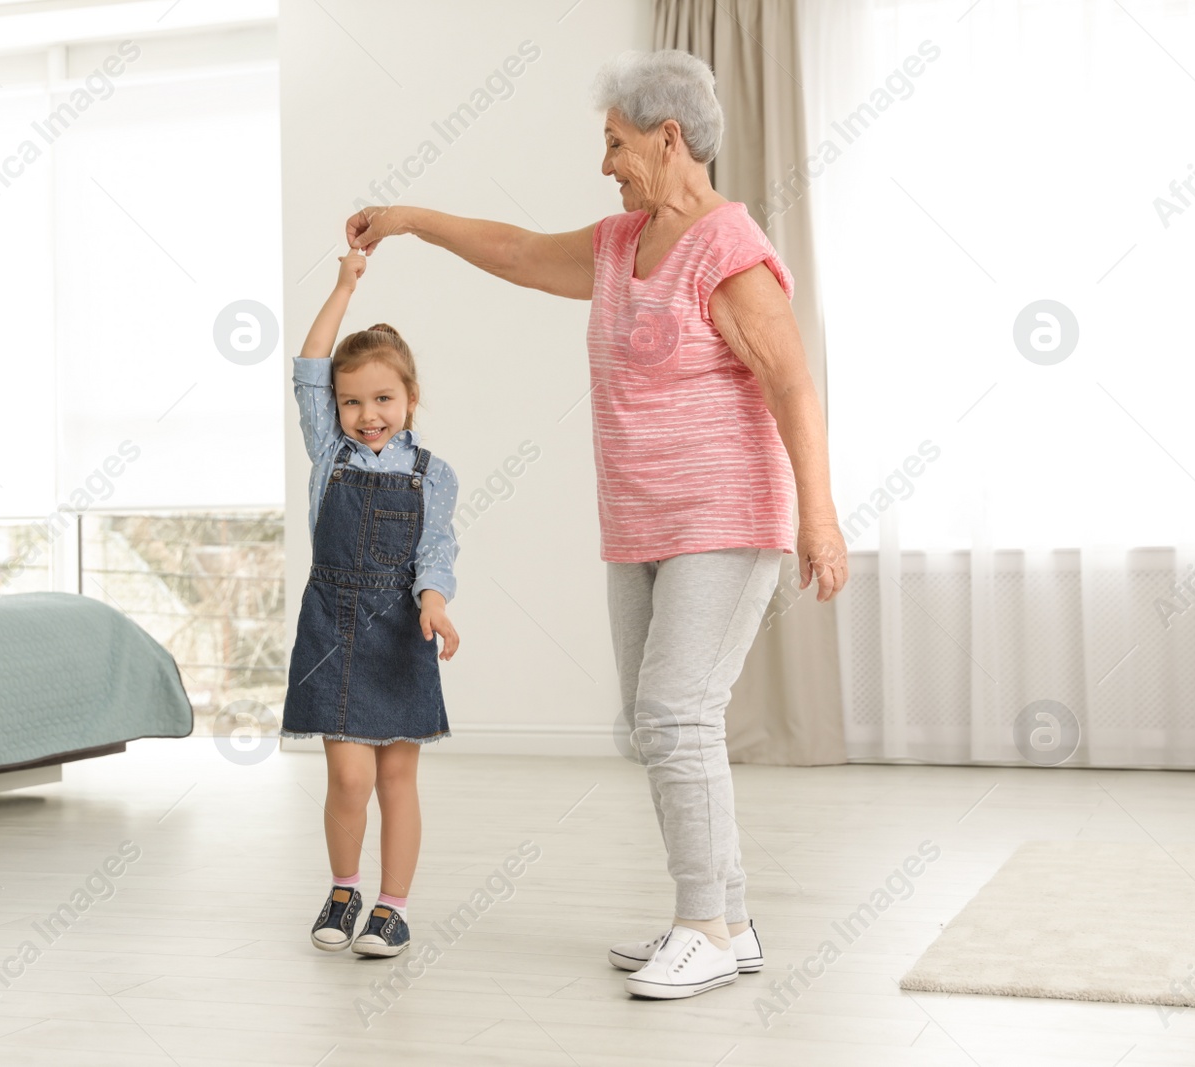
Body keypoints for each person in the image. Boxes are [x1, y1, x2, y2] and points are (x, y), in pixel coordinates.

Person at [343, 49, 847, 998]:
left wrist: (819, 517)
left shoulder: (729, 248)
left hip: (726, 517)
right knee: (656, 722)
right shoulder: (622, 244)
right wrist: (409, 219)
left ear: (668, 139)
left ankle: (699, 922)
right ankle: (727, 922)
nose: (606, 163)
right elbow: (518, 249)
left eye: (615, 143)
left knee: (675, 713)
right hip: (641, 521)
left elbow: (791, 382)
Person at [283, 247, 462, 959]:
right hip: (332, 623)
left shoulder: (432, 473)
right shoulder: (331, 453)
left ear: (410, 398)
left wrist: (435, 602)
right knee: (348, 774)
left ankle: (393, 906)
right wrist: (342, 287)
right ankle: (343, 886)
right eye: (352, 400)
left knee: (396, 776)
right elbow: (307, 369)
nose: (367, 414)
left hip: (400, 630)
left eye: (383, 398)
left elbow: (437, 550)